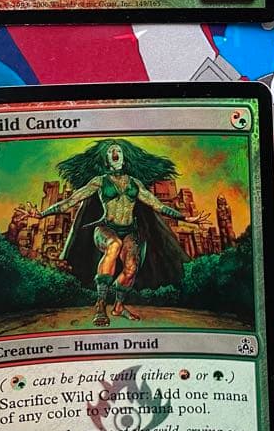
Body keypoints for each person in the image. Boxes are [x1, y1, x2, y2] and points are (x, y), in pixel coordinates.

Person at [41, 138, 196, 327]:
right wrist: (41, 214)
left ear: (124, 158)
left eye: (119, 151)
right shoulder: (99, 181)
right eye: (111, 152)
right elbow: (70, 201)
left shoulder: (135, 184)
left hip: (129, 231)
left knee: (131, 268)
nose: (115, 154)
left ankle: (118, 306)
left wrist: (184, 218)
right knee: (114, 245)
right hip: (106, 229)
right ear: (106, 160)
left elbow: (157, 205)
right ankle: (100, 305)